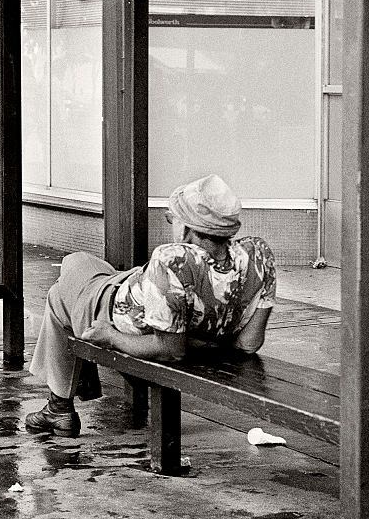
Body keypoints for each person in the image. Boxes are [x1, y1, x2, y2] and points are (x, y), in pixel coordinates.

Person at [26, 174, 276, 438]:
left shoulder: (172, 261)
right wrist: (208, 341)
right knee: (79, 263)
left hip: (108, 307)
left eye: (173, 218)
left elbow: (170, 351)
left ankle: (59, 407)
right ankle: (65, 398)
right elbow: (249, 343)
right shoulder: (258, 255)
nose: (172, 225)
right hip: (134, 286)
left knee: (60, 291)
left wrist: (110, 336)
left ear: (188, 228)